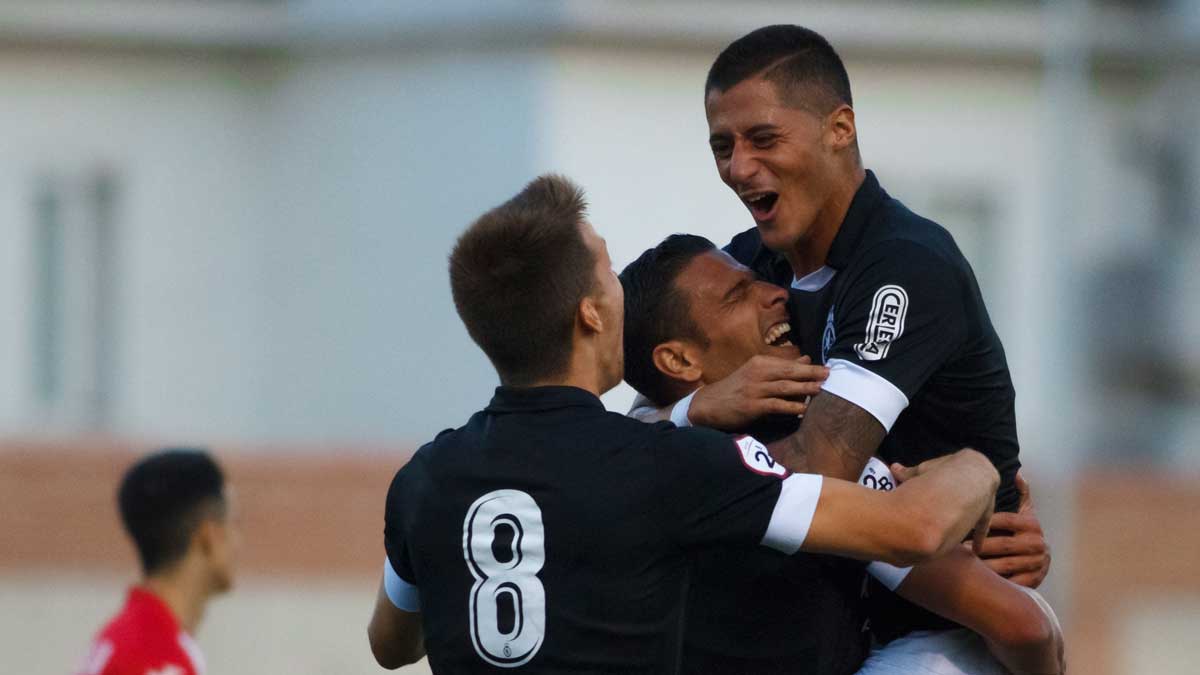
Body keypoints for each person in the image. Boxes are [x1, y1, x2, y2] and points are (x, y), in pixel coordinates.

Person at [366, 174, 1001, 673]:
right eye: (611, 276)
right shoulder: (669, 465)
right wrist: (979, 466)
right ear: (591, 315)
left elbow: (391, 646)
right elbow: (915, 528)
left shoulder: (424, 480)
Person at [634, 23, 1052, 653]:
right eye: (723, 145)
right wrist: (694, 408)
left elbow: (823, 469)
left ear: (840, 129)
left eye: (764, 138)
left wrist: (972, 480)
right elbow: (633, 416)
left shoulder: (905, 266)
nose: (739, 167)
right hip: (837, 612)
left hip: (944, 626)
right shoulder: (754, 266)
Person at [621, 233, 1064, 675]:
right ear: (678, 361)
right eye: (738, 295)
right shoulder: (808, 470)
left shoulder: (613, 474)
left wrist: (688, 412)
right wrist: (972, 473)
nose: (778, 293)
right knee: (955, 656)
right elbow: (1022, 627)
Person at [76, 448, 236, 675]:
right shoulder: (157, 661)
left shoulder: (126, 640)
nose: (238, 543)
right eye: (233, 525)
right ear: (208, 538)